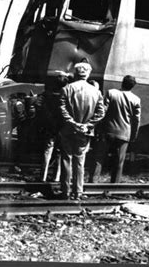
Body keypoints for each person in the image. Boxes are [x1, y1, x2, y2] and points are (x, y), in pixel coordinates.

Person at [59, 60, 104, 200]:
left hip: (68, 129)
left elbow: (62, 109)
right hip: (85, 131)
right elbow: (100, 113)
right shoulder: (96, 92)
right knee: (80, 161)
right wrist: (88, 125)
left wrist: (73, 123)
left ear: (75, 73)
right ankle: (78, 191)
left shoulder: (66, 89)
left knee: (66, 159)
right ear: (88, 74)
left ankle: (65, 191)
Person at [89, 75, 141, 184]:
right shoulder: (136, 99)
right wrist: (133, 135)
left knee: (98, 159)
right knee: (118, 162)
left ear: (122, 83)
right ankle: (114, 186)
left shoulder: (111, 93)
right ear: (133, 86)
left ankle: (92, 184)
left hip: (107, 131)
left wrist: (96, 126)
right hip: (124, 133)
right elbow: (136, 120)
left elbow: (103, 111)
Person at [39, 72, 69, 182]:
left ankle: (43, 176)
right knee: (60, 152)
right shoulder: (67, 95)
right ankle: (56, 176)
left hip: (50, 126)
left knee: (47, 151)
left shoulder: (47, 94)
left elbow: (40, 106)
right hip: (62, 126)